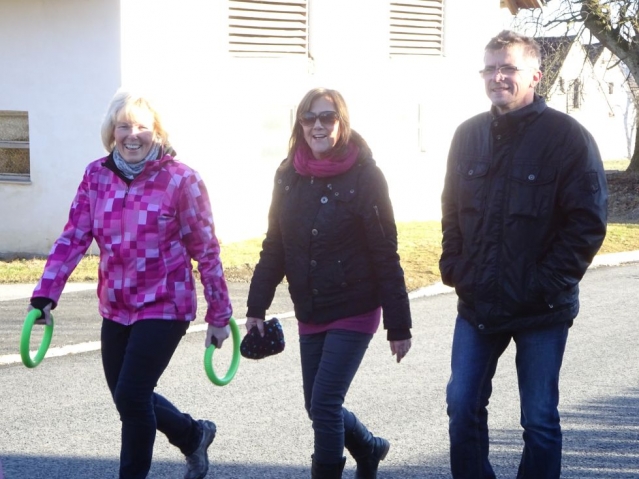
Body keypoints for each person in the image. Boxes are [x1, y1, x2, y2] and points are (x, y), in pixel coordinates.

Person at [29, 90, 233, 479]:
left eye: (142, 126)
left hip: (165, 304)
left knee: (132, 396)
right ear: (112, 132)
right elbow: (73, 237)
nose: (132, 135)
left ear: (157, 132)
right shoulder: (96, 176)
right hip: (116, 305)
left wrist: (219, 314)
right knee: (126, 397)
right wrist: (45, 295)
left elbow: (206, 249)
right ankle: (193, 435)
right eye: (124, 126)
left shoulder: (181, 180)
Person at [439, 30, 608, 479]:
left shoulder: (568, 138)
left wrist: (543, 283)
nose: (497, 77)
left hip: (541, 309)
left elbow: (587, 223)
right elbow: (451, 209)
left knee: (539, 420)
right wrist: (455, 266)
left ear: (535, 75)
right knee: (462, 405)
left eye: (508, 68)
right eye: (490, 68)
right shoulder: (467, 135)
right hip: (478, 302)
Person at [245, 87, 412, 478]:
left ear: (342, 122)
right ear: (300, 124)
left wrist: (399, 323)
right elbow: (275, 245)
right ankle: (369, 448)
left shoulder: (366, 176)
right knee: (317, 405)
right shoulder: (288, 175)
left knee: (323, 404)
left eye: (327, 117)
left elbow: (385, 251)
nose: (317, 125)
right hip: (311, 307)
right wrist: (256, 306)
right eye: (309, 117)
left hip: (355, 306)